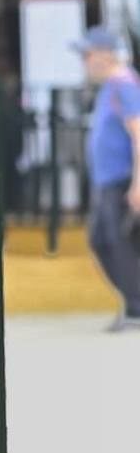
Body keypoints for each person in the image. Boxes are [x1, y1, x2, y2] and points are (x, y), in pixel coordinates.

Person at [75, 26, 140, 332]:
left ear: (105, 54)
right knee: (102, 240)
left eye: (88, 54)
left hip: (121, 180)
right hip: (107, 182)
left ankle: (136, 307)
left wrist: (138, 184)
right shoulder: (111, 88)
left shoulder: (125, 86)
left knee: (120, 243)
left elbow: (139, 135)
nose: (84, 61)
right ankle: (133, 303)